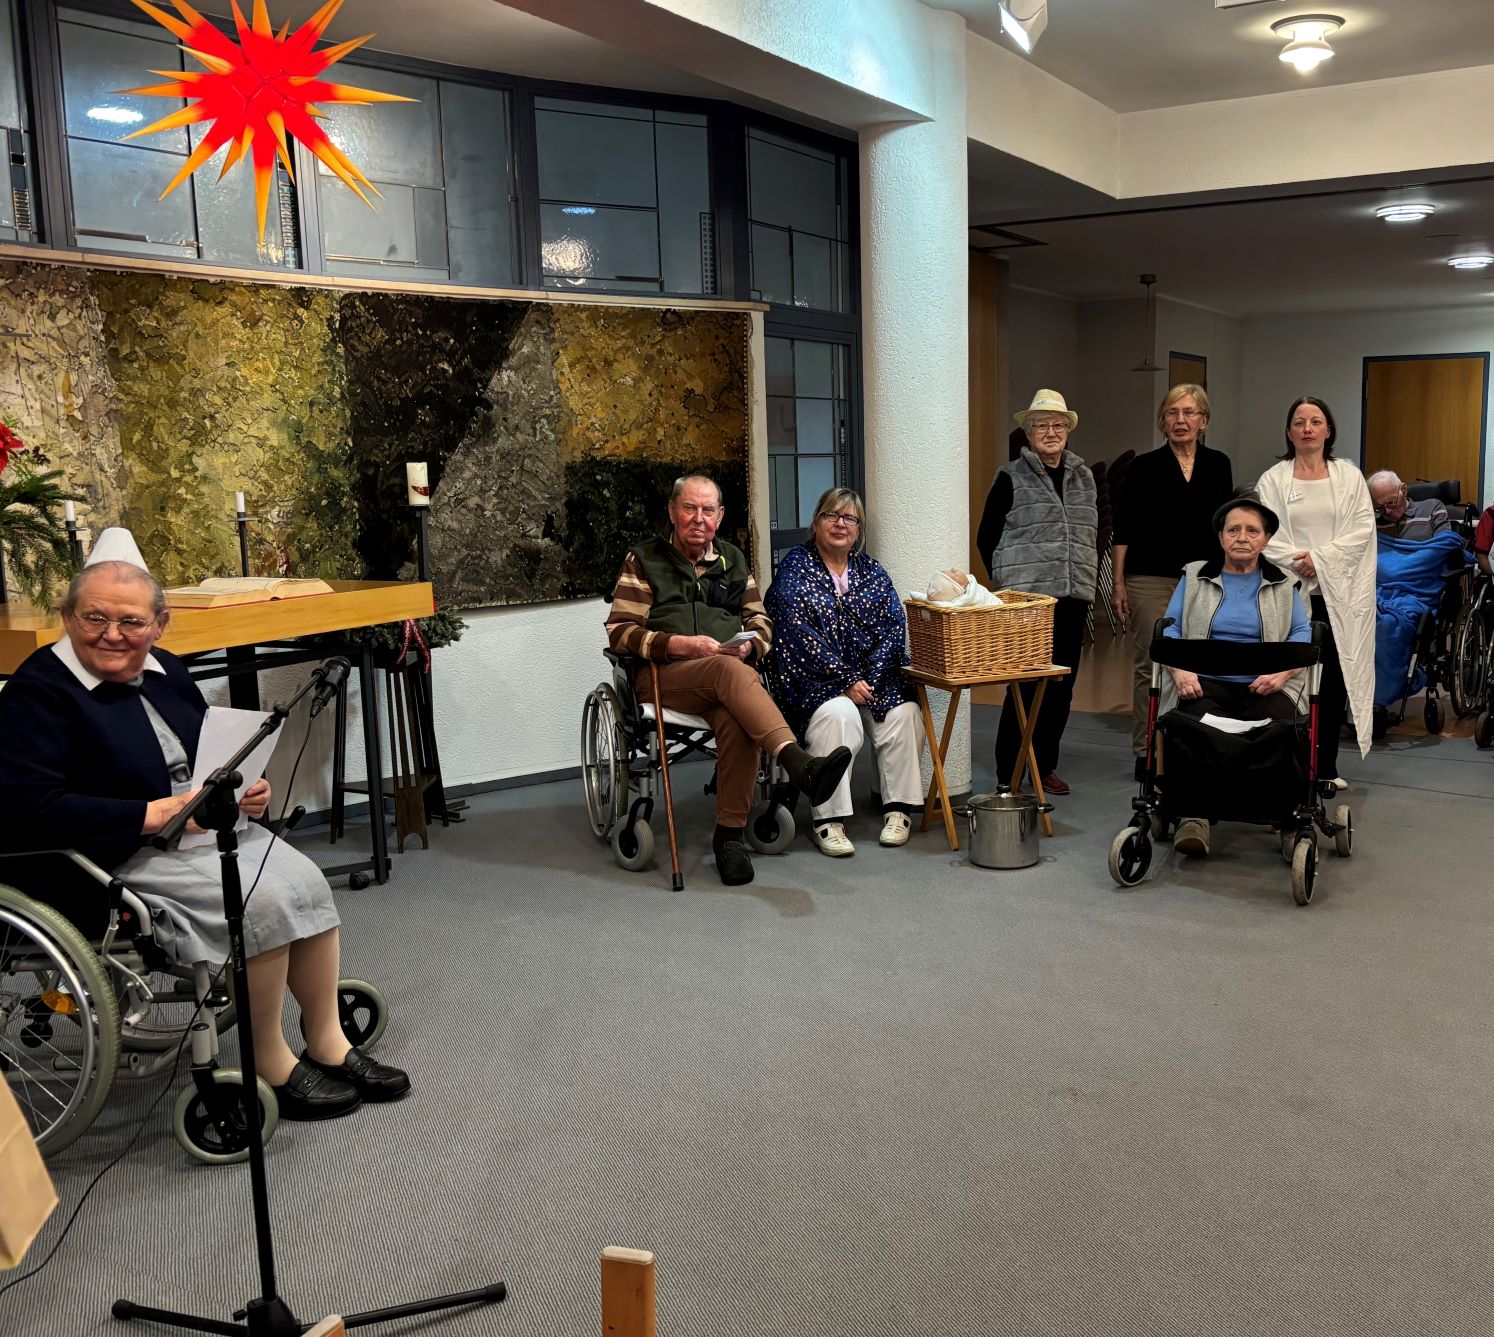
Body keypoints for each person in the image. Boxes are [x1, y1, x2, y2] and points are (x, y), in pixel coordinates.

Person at [0, 558, 409, 1120]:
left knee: (308, 883)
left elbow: (206, 756)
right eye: (94, 617)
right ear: (68, 617)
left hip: (199, 828)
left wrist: (247, 789)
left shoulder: (165, 669)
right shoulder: (38, 692)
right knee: (259, 902)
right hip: (112, 851)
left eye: (131, 621)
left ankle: (327, 1040)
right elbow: (28, 809)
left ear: (159, 625)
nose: (112, 634)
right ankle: (270, 1059)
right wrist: (149, 815)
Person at [605, 474, 853, 885]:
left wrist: (749, 647)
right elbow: (620, 631)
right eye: (689, 508)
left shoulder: (733, 560)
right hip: (664, 678)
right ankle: (797, 762)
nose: (698, 518)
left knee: (738, 716)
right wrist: (679, 644)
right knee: (727, 670)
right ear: (672, 511)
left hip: (725, 680)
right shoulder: (644, 559)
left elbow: (761, 622)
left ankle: (729, 837)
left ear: (719, 517)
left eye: (708, 510)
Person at [763, 487, 925, 857]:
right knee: (840, 715)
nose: (840, 523)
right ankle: (828, 819)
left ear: (858, 529)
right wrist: (843, 680)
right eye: (831, 515)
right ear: (815, 523)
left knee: (904, 713)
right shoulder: (795, 568)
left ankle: (898, 810)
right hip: (816, 681)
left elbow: (893, 627)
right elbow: (795, 632)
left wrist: (870, 678)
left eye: (849, 518)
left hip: (873, 679)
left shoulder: (872, 572)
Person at [1159, 494, 1312, 857]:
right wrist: (1181, 670)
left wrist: (1281, 674)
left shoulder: (1285, 581)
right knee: (1189, 723)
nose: (1242, 537)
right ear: (1221, 536)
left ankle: (1284, 815)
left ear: (1266, 539)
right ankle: (1194, 816)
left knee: (1281, 727)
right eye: (1233, 530)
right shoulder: (1194, 575)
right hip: (1204, 681)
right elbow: (1171, 627)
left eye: (1252, 531)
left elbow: (1302, 634)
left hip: (1265, 684)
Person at [977, 388, 1097, 796]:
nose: (1050, 432)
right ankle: (1008, 773)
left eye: (1057, 425)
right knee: (1024, 688)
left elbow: (1090, 533)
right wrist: (1009, 583)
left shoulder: (1084, 477)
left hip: (1074, 597)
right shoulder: (1010, 476)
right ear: (1028, 433)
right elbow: (986, 537)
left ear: (1068, 430)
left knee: (1061, 688)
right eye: (1041, 425)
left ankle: (1044, 766)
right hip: (1029, 603)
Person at [1110, 384, 1235, 774]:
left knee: (1200, 662)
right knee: (1152, 663)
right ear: (1162, 421)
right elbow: (1124, 528)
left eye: (1190, 412)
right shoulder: (1144, 466)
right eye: (1173, 413)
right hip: (1150, 577)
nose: (1181, 420)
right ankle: (1146, 750)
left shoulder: (1219, 464)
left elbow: (1225, 527)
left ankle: (1190, 744)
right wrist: (1118, 583)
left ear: (1204, 421)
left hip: (1205, 581)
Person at [1256, 396, 1375, 785]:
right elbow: (1264, 535)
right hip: (1289, 595)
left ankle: (1324, 768)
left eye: (1315, 421)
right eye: (1299, 422)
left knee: (1332, 682)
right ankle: (1287, 767)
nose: (1307, 428)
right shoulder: (1273, 480)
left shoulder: (1349, 478)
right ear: (1289, 432)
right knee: (1288, 678)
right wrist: (1302, 562)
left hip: (1338, 597)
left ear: (1328, 430)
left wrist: (1320, 559)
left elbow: (1361, 531)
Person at [1367, 470, 1451, 540]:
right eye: (1380, 507)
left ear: (1403, 490)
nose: (1387, 511)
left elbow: (1444, 546)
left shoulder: (1432, 508)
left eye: (1391, 503)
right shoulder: (1374, 525)